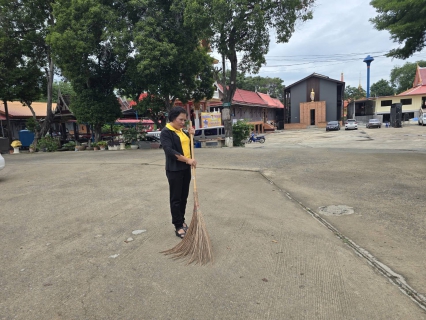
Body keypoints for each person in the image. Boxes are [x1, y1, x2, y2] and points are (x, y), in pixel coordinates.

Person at [160, 107, 197, 239]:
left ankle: (182, 220)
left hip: (185, 169)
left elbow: (187, 145)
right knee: (176, 199)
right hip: (174, 169)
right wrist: (187, 160)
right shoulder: (166, 132)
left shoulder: (182, 131)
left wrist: (191, 134)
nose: (183, 122)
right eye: (180, 119)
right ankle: (178, 226)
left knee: (183, 197)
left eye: (185, 120)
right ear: (172, 118)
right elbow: (169, 151)